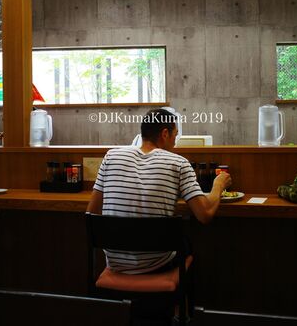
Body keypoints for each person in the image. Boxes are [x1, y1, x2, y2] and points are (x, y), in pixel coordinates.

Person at [86, 108, 232, 274]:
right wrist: (218, 184)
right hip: (158, 265)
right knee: (188, 244)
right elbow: (204, 214)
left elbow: (92, 213)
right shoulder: (179, 163)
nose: (175, 143)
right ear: (165, 134)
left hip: (115, 263)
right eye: (175, 135)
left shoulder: (111, 157)